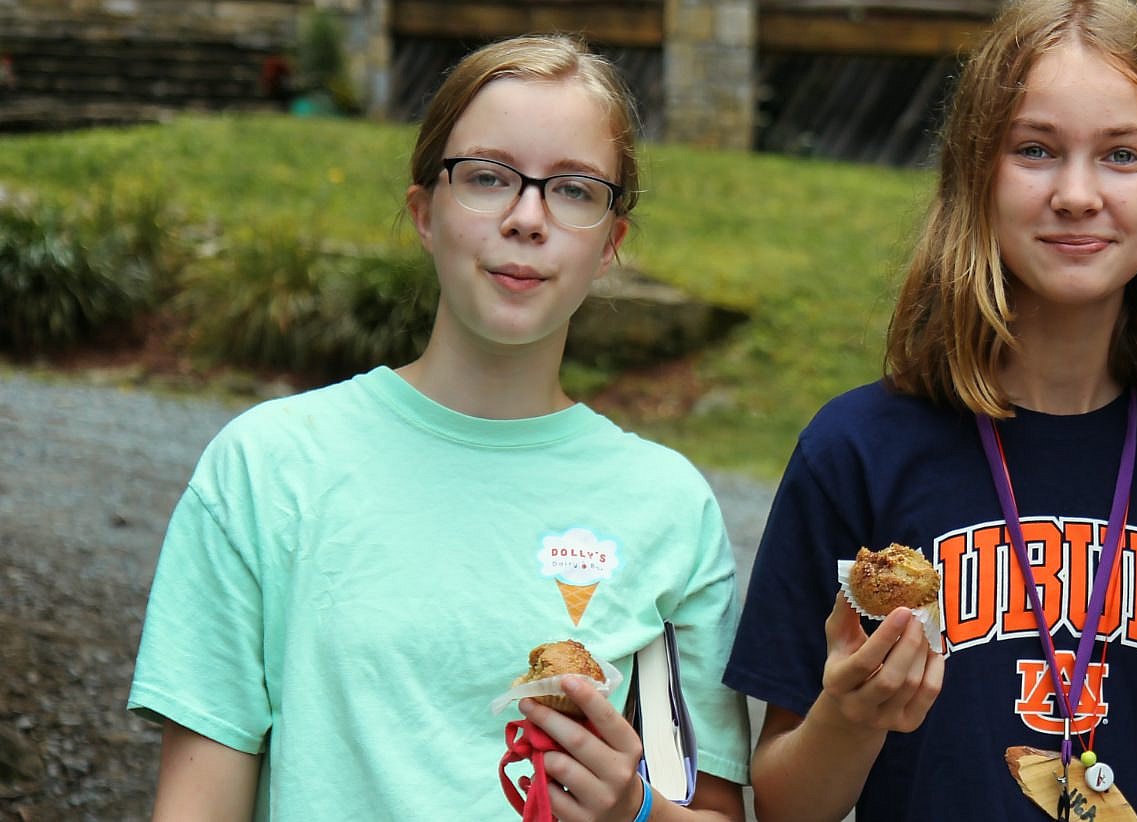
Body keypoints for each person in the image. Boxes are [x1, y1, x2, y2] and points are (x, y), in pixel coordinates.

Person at [128, 34, 750, 821]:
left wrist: (633, 809)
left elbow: (713, 808)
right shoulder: (267, 468)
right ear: (425, 212)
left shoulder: (667, 507)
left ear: (610, 245)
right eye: (488, 177)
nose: (528, 218)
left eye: (574, 189)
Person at [722, 0, 1137, 819]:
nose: (1076, 193)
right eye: (1034, 150)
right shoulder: (855, 450)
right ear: (975, 174)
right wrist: (848, 719)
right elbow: (783, 801)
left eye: (1123, 155)